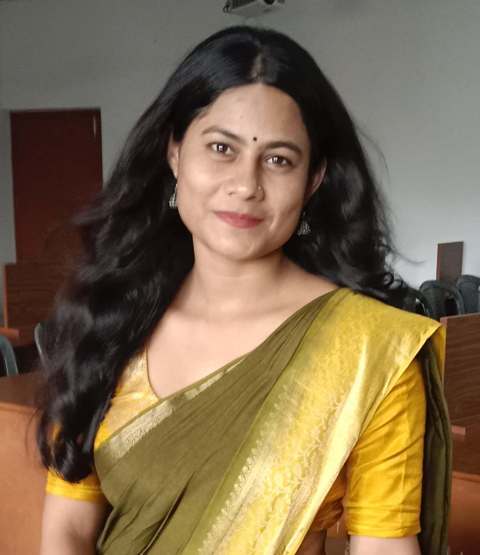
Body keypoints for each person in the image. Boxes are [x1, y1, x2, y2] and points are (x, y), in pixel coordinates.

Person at [36, 25, 451, 555]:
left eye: (279, 160)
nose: (246, 185)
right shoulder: (110, 320)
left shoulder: (369, 349)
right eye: (221, 148)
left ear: (314, 179)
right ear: (174, 153)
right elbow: (67, 529)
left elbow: (384, 547)